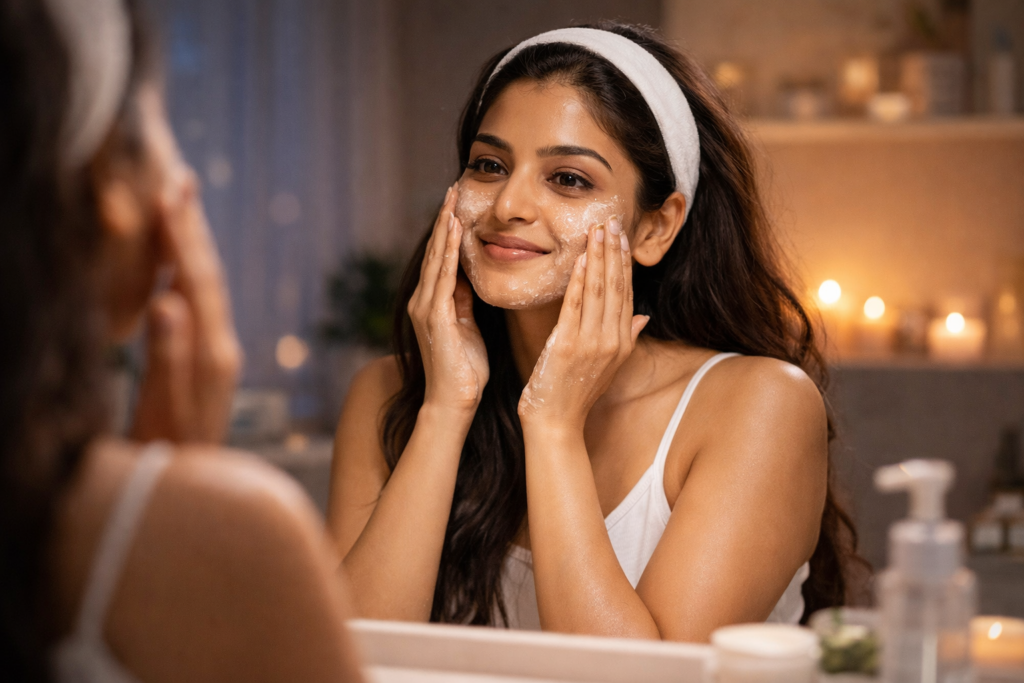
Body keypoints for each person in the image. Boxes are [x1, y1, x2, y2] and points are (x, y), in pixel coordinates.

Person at [328, 22, 862, 641]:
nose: (508, 206)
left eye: (569, 179)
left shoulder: (760, 404)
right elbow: (346, 661)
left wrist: (553, 426)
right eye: (489, 165)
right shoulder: (389, 394)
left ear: (655, 228)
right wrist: (446, 408)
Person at [0, 0, 364, 680]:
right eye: (164, 119)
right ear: (107, 171)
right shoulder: (239, 533)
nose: (185, 177)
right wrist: (167, 518)